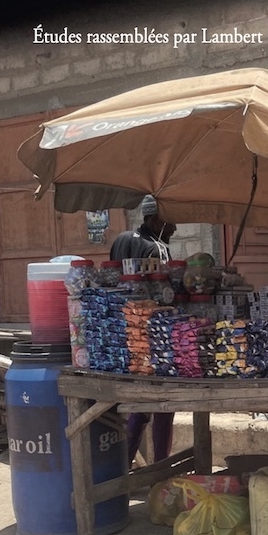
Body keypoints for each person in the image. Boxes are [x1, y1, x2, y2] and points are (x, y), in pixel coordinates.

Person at [110, 194, 178, 464]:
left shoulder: (121, 240)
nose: (174, 229)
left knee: (139, 406)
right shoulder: (158, 248)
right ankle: (161, 469)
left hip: (121, 335)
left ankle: (123, 466)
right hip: (151, 337)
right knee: (163, 406)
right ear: (154, 219)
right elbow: (164, 294)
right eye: (170, 222)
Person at [109, 194, 176, 263]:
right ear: (155, 220)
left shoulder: (122, 238)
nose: (174, 228)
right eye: (170, 222)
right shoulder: (156, 248)